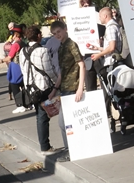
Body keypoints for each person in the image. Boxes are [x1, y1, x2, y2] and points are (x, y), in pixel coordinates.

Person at [19, 25, 58, 155]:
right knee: (43, 116)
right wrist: (57, 81)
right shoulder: (42, 51)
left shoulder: (22, 51)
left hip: (30, 88)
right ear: (39, 36)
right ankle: (45, 146)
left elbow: (23, 70)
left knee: (40, 115)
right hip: (43, 87)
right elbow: (49, 70)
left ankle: (45, 144)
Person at [51, 20, 85, 162]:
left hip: (73, 88)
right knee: (66, 122)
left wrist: (80, 88)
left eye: (59, 31)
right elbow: (61, 72)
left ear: (65, 29)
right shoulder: (60, 47)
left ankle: (71, 151)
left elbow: (81, 65)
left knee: (64, 122)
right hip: (64, 88)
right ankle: (70, 149)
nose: (57, 35)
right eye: (54, 33)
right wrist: (54, 89)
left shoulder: (71, 44)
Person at [90, 7, 123, 118]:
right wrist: (98, 48)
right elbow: (109, 46)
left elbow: (112, 47)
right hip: (113, 61)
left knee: (109, 90)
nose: (99, 19)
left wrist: (99, 55)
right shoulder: (114, 26)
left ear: (105, 16)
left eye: (100, 16)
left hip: (111, 63)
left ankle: (109, 113)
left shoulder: (110, 28)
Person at [0, 26, 27, 113]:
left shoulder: (15, 45)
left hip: (16, 66)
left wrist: (1, 60)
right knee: (23, 85)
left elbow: (9, 57)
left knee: (14, 84)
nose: (11, 35)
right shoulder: (23, 43)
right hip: (23, 65)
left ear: (16, 34)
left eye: (12, 33)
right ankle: (27, 103)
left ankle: (20, 105)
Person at [79, 0, 106, 92]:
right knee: (90, 88)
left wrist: (102, 39)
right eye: (84, 6)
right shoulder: (78, 21)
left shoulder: (99, 20)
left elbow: (106, 34)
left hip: (99, 56)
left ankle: (106, 106)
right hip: (87, 58)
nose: (86, 7)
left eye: (88, 5)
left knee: (105, 86)